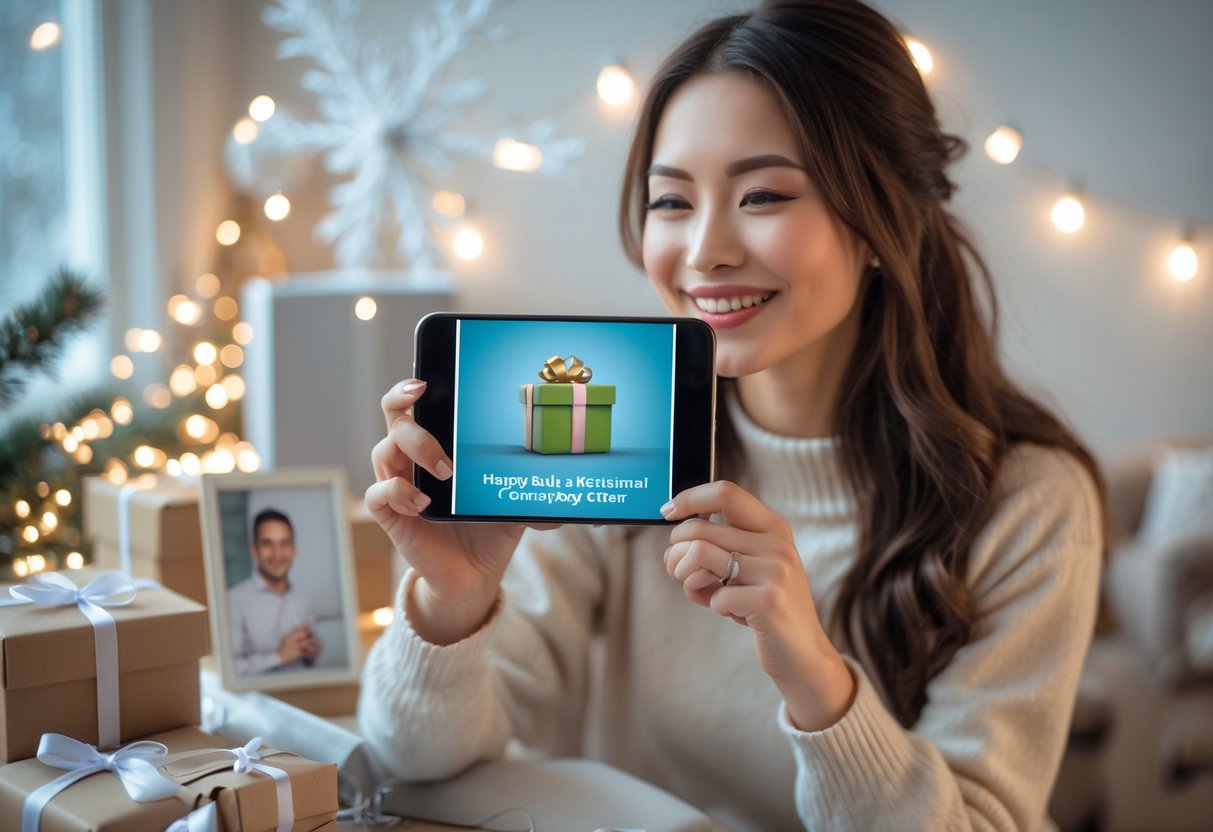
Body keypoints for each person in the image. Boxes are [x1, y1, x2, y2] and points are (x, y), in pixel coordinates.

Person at [358, 0, 1105, 828]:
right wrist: (451, 602)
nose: (706, 250)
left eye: (762, 195)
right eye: (671, 202)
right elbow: (411, 764)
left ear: (881, 217)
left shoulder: (1030, 501)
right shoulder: (608, 434)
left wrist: (817, 679)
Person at [227, 507, 322, 676]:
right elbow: (230, 670)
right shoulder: (233, 600)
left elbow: (309, 662)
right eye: (267, 544)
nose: (277, 554)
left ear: (294, 550)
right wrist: (279, 656)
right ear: (254, 550)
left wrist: (311, 653)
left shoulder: (302, 599)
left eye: (284, 543)